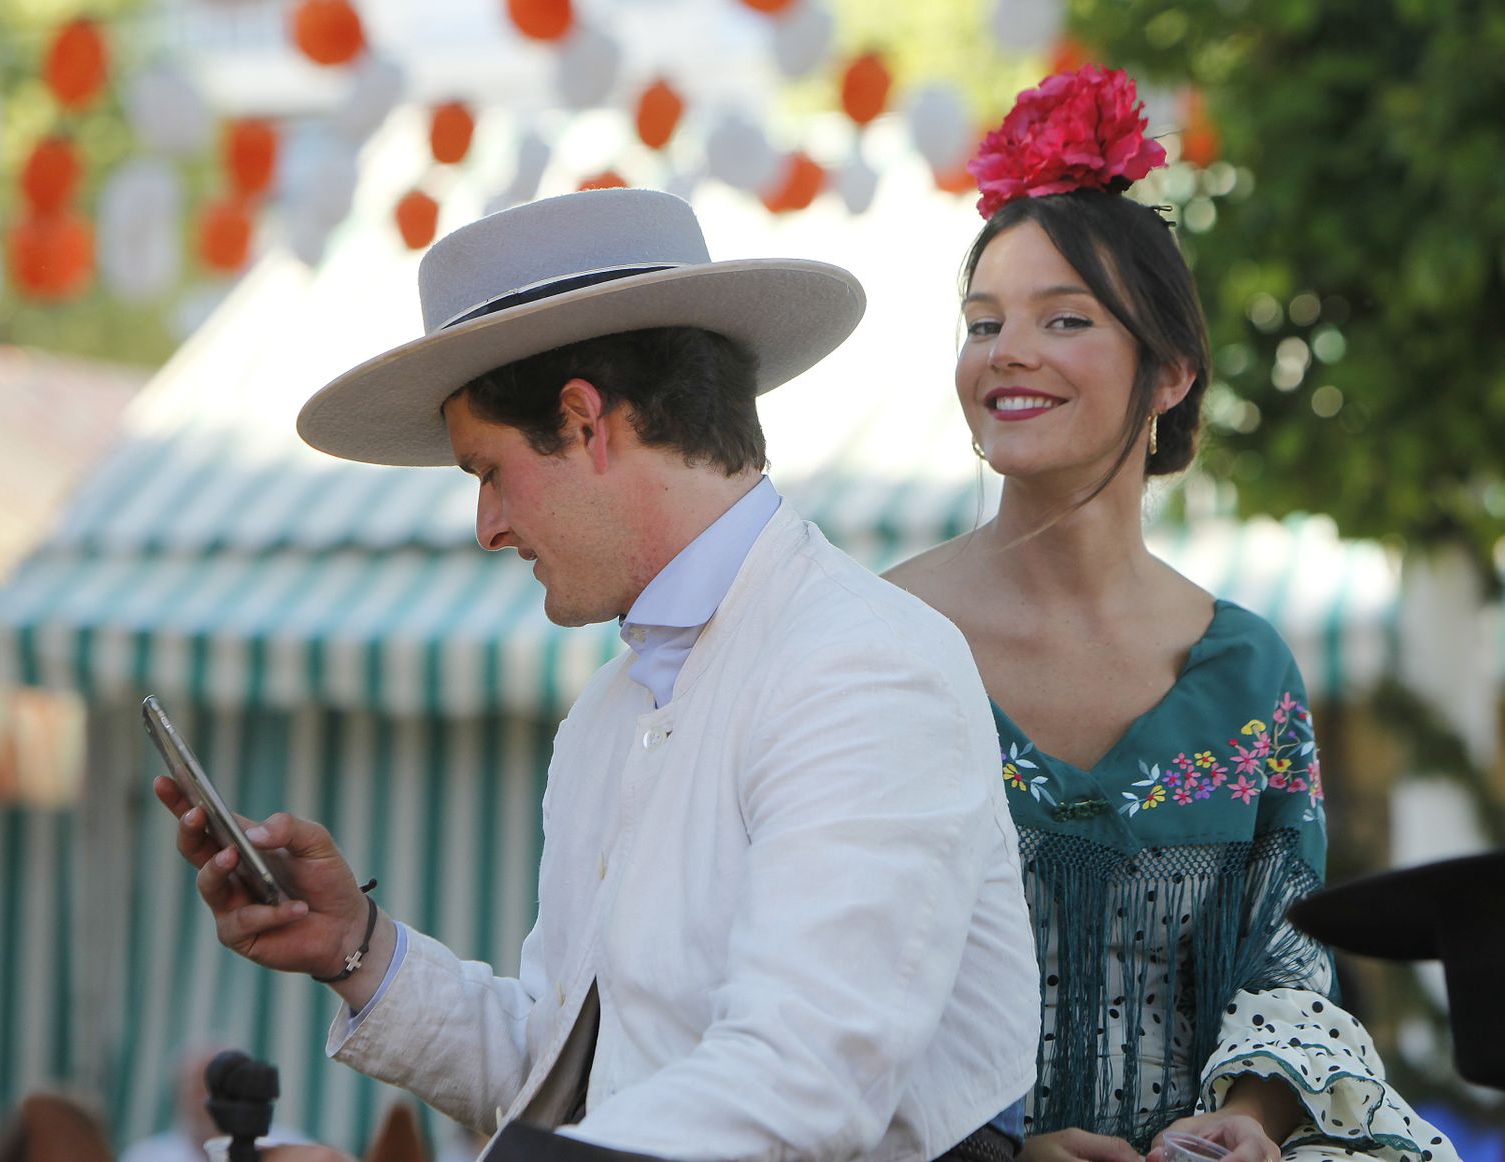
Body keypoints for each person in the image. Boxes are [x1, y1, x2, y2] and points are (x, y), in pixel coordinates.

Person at [156, 188, 1040, 1161]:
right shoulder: (607, 710)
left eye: (487, 471)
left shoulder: (865, 662)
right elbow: (571, 1073)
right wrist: (357, 947)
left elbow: (797, 1083)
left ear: (584, 423)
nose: (486, 526)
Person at [884, 65, 1460, 1162]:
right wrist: (997, 1150)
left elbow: (1287, 963)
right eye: (982, 321)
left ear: (1169, 376)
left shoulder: (1245, 669)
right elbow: (812, 975)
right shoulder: (878, 643)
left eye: (1063, 318)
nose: (1006, 351)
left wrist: (1246, 1119)